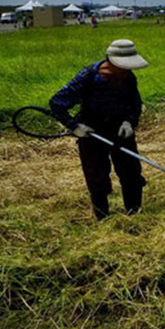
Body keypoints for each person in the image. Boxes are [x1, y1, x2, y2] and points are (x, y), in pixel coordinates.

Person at [49, 39, 149, 220]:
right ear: (112, 62)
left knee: (131, 172)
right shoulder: (88, 77)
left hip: (120, 130)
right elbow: (57, 103)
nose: (126, 71)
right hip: (92, 132)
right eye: (123, 67)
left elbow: (134, 104)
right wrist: (74, 126)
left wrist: (129, 122)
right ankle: (103, 218)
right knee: (96, 176)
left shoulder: (128, 77)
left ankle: (134, 213)